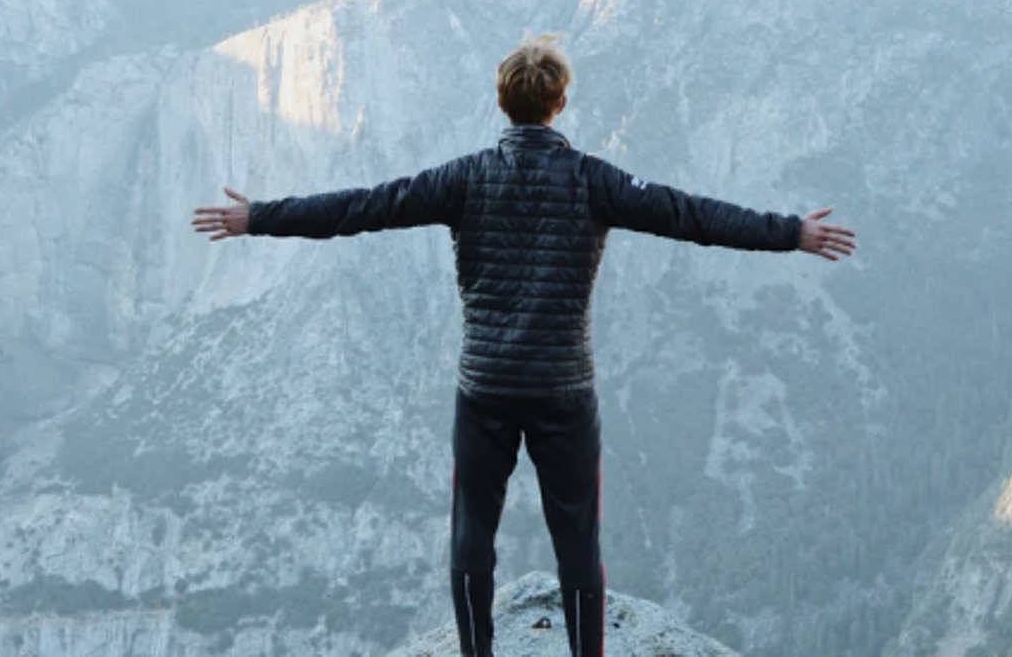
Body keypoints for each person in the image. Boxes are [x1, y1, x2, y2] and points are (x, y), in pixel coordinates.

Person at [192, 34, 856, 657]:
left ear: (502, 104)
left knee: (470, 537)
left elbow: (361, 206)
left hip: (483, 390)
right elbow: (692, 215)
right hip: (564, 391)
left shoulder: (464, 178)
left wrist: (258, 217)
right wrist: (788, 232)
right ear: (560, 103)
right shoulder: (596, 181)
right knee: (578, 542)